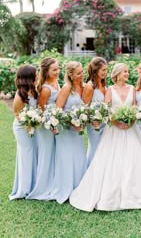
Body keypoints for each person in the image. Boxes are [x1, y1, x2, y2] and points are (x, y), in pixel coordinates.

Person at [69, 63, 141, 212]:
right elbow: (106, 109)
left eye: (127, 72)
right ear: (117, 74)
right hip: (113, 130)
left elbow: (134, 107)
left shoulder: (132, 89)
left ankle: (136, 193)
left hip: (131, 130)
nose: (128, 74)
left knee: (134, 160)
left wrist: (130, 121)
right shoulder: (110, 90)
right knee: (110, 159)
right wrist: (116, 122)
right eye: (125, 72)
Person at [50, 61, 87, 204]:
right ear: (70, 75)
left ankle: (79, 188)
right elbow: (58, 110)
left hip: (77, 130)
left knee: (79, 157)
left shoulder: (83, 87)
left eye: (82, 72)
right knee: (66, 158)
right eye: (78, 73)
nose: (81, 75)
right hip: (65, 129)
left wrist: (81, 121)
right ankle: (65, 188)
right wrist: (72, 122)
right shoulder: (66, 88)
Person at [27, 57, 60, 200]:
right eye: (54, 70)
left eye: (58, 68)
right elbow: (41, 109)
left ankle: (53, 184)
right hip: (46, 126)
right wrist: (51, 124)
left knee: (54, 155)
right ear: (46, 71)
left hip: (54, 123)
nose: (58, 72)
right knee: (46, 155)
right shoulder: (46, 89)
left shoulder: (56, 82)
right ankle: (42, 188)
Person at [9, 65, 38, 200]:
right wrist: (28, 125)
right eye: (35, 74)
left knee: (33, 154)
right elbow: (17, 114)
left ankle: (33, 184)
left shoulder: (34, 89)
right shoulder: (20, 95)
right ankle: (24, 189)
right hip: (22, 128)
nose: (37, 76)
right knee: (26, 155)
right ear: (28, 77)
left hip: (32, 126)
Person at [82, 57, 108, 166]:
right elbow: (84, 108)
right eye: (103, 70)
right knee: (95, 149)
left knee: (103, 151)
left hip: (104, 124)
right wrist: (93, 119)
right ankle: (90, 175)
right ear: (95, 70)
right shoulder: (89, 86)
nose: (105, 73)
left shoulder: (103, 84)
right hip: (94, 125)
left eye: (106, 70)